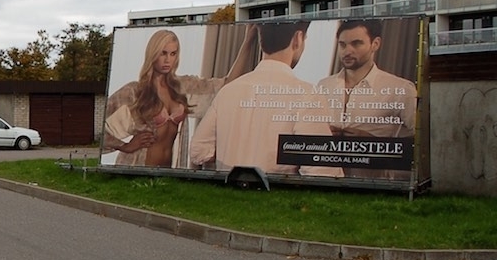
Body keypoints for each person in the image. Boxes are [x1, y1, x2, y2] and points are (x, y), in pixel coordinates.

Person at [190, 21, 342, 177]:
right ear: (298, 38)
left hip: (229, 195)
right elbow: (322, 171)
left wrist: (233, 153)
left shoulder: (228, 91)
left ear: (261, 41)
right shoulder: (309, 95)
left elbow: (198, 150)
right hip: (277, 197)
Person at [103, 27, 256, 168]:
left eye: (173, 53)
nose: (168, 60)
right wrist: (126, 146)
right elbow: (100, 126)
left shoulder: (183, 86)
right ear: (153, 53)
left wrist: (248, 41)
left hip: (170, 170)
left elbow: (226, 85)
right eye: (163, 53)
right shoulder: (135, 91)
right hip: (137, 167)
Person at [316, 19, 416, 180]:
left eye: (356, 44)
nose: (347, 51)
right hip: (328, 182)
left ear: (375, 44)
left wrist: (375, 143)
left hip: (375, 186)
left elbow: (420, 142)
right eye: (342, 45)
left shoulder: (401, 89)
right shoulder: (323, 86)